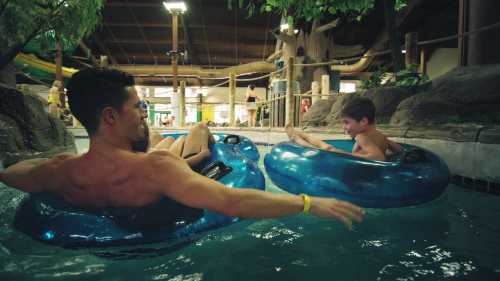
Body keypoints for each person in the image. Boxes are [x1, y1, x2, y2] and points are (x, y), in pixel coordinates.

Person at [0, 67, 363, 230]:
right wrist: (307, 203)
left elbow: (11, 174)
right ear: (110, 116)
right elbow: (232, 201)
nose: (144, 113)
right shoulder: (155, 168)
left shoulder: (61, 171)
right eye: (137, 107)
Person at [286, 97, 403, 161]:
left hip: (356, 173)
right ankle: (301, 135)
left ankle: (296, 137)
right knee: (327, 147)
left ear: (363, 121)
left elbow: (378, 157)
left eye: (346, 123)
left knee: (326, 149)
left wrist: (345, 154)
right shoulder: (381, 136)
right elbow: (399, 149)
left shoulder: (362, 137)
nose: (344, 127)